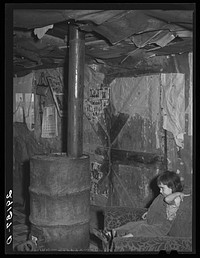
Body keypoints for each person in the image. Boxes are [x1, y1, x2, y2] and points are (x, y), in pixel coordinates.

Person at [109, 170, 190, 238]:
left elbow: (167, 200)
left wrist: (178, 193)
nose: (160, 191)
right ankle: (110, 234)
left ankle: (122, 240)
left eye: (162, 188)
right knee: (131, 225)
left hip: (160, 228)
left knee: (142, 228)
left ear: (172, 187)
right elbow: (156, 206)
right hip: (150, 222)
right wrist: (149, 213)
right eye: (159, 188)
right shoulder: (162, 195)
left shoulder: (175, 199)